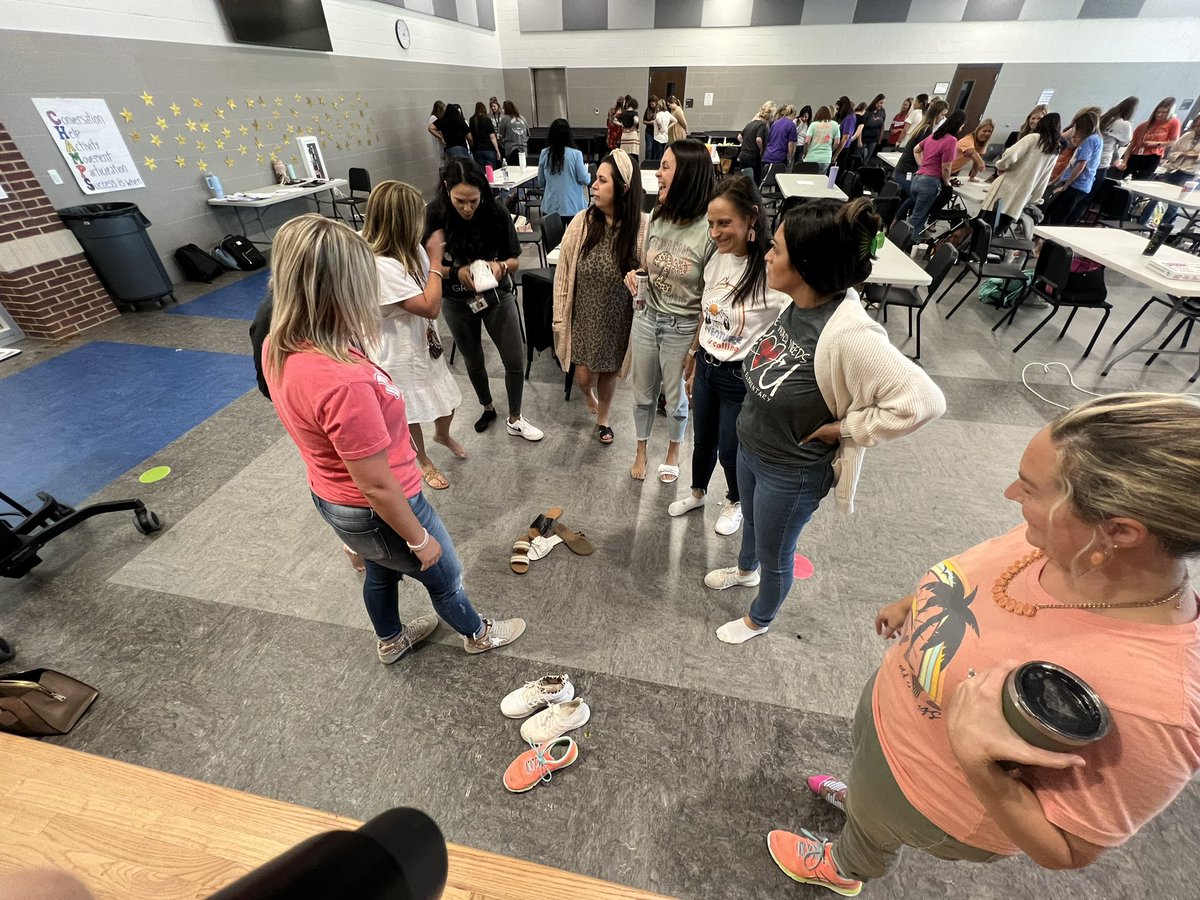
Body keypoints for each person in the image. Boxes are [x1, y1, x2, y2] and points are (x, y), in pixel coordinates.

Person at [768, 391, 1200, 898]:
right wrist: (917, 600)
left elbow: (1068, 851)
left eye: (1032, 490)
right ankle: (863, 800)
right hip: (895, 725)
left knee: (876, 825)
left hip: (933, 797)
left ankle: (845, 866)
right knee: (869, 791)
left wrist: (978, 762)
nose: (1010, 494)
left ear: (1120, 531)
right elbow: (982, 584)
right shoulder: (1062, 541)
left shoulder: (1160, 703)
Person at [263, 214, 527, 662]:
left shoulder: (280, 345)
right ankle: (478, 633)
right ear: (338, 289)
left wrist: (349, 537)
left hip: (334, 498)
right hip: (384, 504)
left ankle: (391, 639)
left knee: (381, 573)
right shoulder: (343, 380)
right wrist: (421, 539)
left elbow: (324, 445)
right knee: (445, 575)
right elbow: (376, 484)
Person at [704, 197, 944, 645]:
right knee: (753, 526)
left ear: (807, 264)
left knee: (777, 551)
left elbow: (925, 400)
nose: (767, 256)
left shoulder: (851, 333)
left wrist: (849, 429)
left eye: (776, 249)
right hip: (753, 449)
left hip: (790, 470)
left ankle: (760, 618)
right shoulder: (795, 303)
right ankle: (744, 571)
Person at [668, 176, 790, 536]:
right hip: (707, 364)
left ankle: (735, 501)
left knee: (731, 448)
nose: (715, 233)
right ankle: (697, 492)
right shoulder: (718, 259)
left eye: (724, 223)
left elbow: (792, 325)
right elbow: (708, 313)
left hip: (741, 377)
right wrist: (694, 354)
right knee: (702, 438)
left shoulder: (771, 269)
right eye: (710, 224)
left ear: (751, 219)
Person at [423, 159, 543, 440]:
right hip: (455, 300)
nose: (467, 208)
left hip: (496, 293)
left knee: (514, 358)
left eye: (473, 201)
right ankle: (487, 407)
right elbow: (427, 264)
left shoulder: (496, 213)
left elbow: (514, 258)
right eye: (460, 201)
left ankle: (515, 418)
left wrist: (500, 267)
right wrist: (455, 271)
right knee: (473, 358)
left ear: (482, 193)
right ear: (446, 189)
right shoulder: (435, 214)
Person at [362, 180, 466, 492]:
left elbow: (429, 277)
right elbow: (429, 305)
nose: (422, 221)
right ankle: (423, 461)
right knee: (409, 413)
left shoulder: (410, 249)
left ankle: (442, 434)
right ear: (400, 221)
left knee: (446, 403)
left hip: (424, 345)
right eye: (415, 215)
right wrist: (436, 262)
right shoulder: (380, 265)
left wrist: (458, 271)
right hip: (397, 352)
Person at [622, 139, 716, 482]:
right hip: (646, 317)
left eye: (665, 167)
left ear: (688, 175)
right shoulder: (657, 216)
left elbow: (710, 297)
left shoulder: (710, 229)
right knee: (642, 394)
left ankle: (674, 451)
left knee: (675, 399)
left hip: (682, 325)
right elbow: (648, 265)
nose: (657, 174)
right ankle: (641, 449)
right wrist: (636, 276)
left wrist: (695, 348)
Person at [552, 149, 647, 445]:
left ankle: (603, 417)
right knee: (582, 376)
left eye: (602, 181)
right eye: (595, 179)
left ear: (623, 189)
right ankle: (588, 395)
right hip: (584, 317)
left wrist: (640, 278)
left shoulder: (641, 228)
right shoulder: (582, 222)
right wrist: (558, 315)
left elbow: (650, 275)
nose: (593, 185)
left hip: (617, 319)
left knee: (609, 371)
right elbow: (564, 274)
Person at [982, 113, 1062, 236]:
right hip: (1022, 195)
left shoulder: (1032, 138)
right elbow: (1044, 179)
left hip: (1006, 187)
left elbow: (1009, 155)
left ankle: (967, 252)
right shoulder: (1054, 149)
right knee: (996, 232)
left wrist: (1000, 166)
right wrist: (1035, 197)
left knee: (984, 225)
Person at [909, 110, 965, 238]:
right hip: (929, 182)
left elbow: (916, 150)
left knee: (921, 213)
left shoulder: (934, 136)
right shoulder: (951, 140)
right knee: (917, 216)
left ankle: (915, 238)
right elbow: (946, 167)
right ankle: (901, 240)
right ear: (959, 125)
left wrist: (922, 165)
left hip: (917, 179)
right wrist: (947, 183)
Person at [1138, 117, 1200, 230]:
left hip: (1188, 174)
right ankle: (1140, 224)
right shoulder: (1187, 136)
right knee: (1155, 198)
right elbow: (1172, 152)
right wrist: (1182, 154)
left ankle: (1161, 230)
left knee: (1174, 204)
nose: (1197, 128)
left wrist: (1194, 155)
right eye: (1196, 125)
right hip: (1172, 170)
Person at [892, 99, 948, 221]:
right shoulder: (926, 129)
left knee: (907, 196)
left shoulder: (924, 127)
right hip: (906, 170)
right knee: (916, 197)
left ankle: (897, 222)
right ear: (936, 113)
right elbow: (920, 152)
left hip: (906, 169)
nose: (943, 118)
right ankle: (895, 221)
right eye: (942, 115)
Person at [1045, 109, 1102, 226]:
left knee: (1059, 215)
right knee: (1052, 210)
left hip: (1076, 185)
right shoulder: (1097, 138)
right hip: (1079, 183)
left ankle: (1047, 240)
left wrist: (1066, 185)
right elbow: (1072, 164)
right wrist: (1056, 181)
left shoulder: (1089, 140)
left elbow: (1081, 165)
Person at [537, 118, 590, 224]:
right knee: (573, 240)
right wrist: (587, 173)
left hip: (551, 206)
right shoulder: (576, 154)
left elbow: (541, 181)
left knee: (554, 240)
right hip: (573, 206)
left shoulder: (544, 153)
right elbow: (585, 180)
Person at [1120, 97, 1181, 181]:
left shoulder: (1174, 122)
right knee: (1125, 179)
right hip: (1136, 156)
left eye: (1164, 112)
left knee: (1140, 180)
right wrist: (1124, 161)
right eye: (1158, 112)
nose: (1160, 115)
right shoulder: (1143, 125)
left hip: (1152, 157)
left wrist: (1156, 144)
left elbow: (1174, 141)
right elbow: (1132, 144)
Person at [736, 101, 776, 186]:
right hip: (753, 156)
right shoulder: (762, 124)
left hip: (743, 154)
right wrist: (761, 150)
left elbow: (739, 137)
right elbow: (758, 139)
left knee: (744, 178)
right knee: (755, 181)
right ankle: (754, 197)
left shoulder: (749, 124)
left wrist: (746, 144)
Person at [762, 104, 799, 185]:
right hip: (779, 157)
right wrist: (790, 157)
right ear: (793, 114)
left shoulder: (775, 123)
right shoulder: (791, 125)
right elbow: (791, 144)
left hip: (768, 155)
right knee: (780, 183)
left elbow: (768, 139)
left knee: (765, 181)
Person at [803, 106, 840, 175]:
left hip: (811, 157)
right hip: (825, 158)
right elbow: (837, 143)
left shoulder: (813, 124)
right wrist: (830, 150)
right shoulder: (835, 125)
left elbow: (807, 141)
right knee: (820, 181)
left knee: (808, 179)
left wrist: (805, 153)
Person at [468, 101, 501, 171]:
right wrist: (497, 150)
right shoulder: (487, 119)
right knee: (491, 172)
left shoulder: (472, 120)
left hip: (477, 149)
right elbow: (492, 137)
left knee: (481, 172)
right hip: (488, 148)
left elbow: (470, 136)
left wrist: (473, 146)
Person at [498, 100, 529, 166]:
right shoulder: (522, 118)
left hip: (511, 148)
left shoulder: (505, 119)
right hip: (523, 149)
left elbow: (501, 135)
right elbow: (528, 134)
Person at [833, 96, 860, 170]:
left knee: (837, 169)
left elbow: (845, 138)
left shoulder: (849, 118)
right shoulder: (844, 116)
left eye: (838, 109)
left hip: (842, 148)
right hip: (838, 146)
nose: (837, 111)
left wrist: (835, 155)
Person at [859, 94, 887, 161]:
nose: (882, 105)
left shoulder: (882, 111)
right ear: (876, 102)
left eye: (883, 103)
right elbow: (860, 126)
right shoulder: (868, 111)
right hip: (864, 138)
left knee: (868, 158)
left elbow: (882, 125)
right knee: (861, 156)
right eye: (880, 103)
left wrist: (880, 138)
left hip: (874, 139)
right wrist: (859, 141)